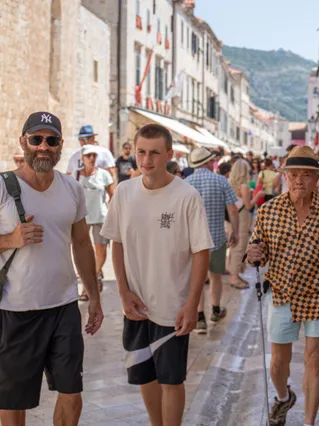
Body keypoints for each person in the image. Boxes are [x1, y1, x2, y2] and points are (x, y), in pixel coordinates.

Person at [100, 124, 213, 426]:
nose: (146, 160)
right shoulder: (124, 192)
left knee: (172, 380)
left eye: (154, 153)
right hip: (137, 305)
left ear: (169, 155)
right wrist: (122, 291)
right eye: (141, 152)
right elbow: (117, 243)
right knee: (144, 376)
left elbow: (201, 251)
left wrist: (192, 303)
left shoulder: (187, 196)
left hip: (172, 306)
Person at [0, 111, 103, 426]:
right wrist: (11, 239)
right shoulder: (4, 186)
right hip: (16, 310)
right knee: (13, 401)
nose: (44, 146)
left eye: (52, 140)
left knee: (72, 394)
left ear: (60, 146)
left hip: (63, 307)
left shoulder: (72, 188)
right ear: (24, 142)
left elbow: (82, 244)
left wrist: (95, 297)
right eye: (36, 139)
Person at [246, 146, 319, 426]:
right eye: (294, 174)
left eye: (306, 175)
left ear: (316, 179)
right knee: (278, 363)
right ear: (286, 177)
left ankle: (309, 422)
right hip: (282, 294)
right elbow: (257, 250)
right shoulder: (268, 211)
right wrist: (253, 254)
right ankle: (282, 396)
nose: (299, 180)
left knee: (314, 359)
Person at [184, 148, 239, 331]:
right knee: (215, 277)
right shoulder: (221, 180)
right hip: (216, 238)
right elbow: (232, 209)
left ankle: (200, 318)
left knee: (197, 280)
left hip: (193, 241)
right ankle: (215, 310)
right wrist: (235, 231)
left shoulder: (186, 183)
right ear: (209, 162)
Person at [76, 145, 115, 301]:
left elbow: (113, 195)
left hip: (101, 218)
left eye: (94, 155)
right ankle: (90, 283)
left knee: (101, 254)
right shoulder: (75, 176)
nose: (92, 158)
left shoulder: (104, 175)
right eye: (88, 156)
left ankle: (88, 285)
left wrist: (112, 215)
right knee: (84, 253)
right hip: (82, 219)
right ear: (82, 158)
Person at [227, 160, 263, 289]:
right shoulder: (244, 186)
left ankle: (234, 272)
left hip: (231, 218)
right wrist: (257, 195)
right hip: (242, 218)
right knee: (240, 246)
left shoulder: (230, 184)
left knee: (233, 246)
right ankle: (234, 277)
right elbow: (248, 206)